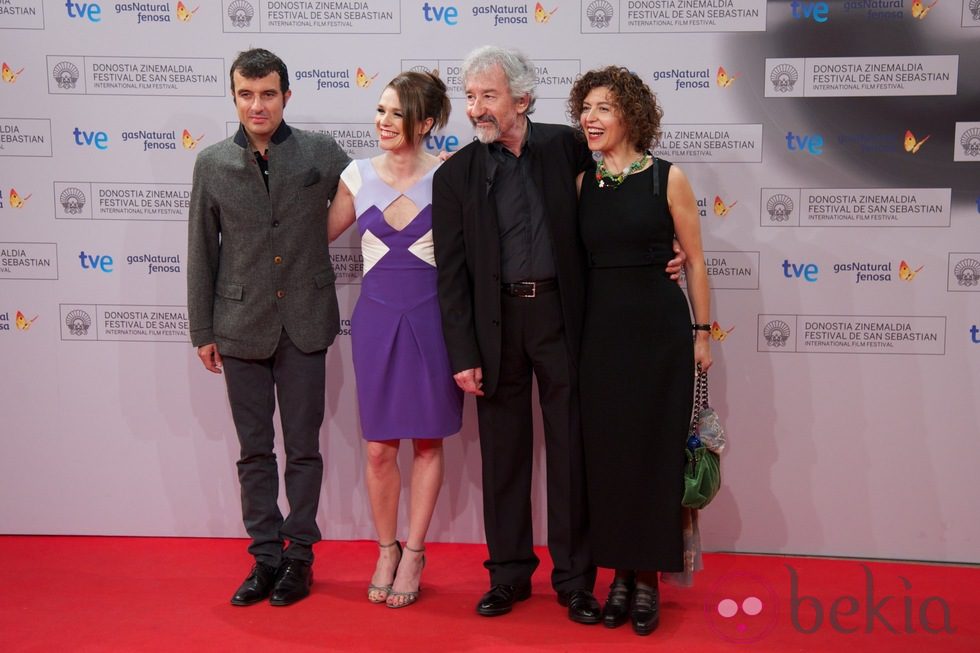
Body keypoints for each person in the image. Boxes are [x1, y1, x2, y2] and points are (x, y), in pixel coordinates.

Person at [432, 46, 683, 624]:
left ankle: (575, 580)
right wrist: (462, 351)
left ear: (521, 99)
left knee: (572, 450)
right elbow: (452, 276)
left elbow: (627, 189)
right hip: (495, 326)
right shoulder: (454, 177)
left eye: (488, 96)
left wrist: (660, 250)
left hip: (565, 319)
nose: (476, 109)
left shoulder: (567, 147)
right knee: (502, 455)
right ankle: (509, 575)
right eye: (470, 97)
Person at [187, 48, 349, 607]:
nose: (258, 105)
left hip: (305, 321)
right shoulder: (210, 164)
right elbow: (201, 252)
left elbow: (368, 195)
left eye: (268, 93)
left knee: (304, 447)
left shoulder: (321, 153)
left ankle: (299, 556)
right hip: (238, 324)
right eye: (246, 94)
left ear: (286, 94)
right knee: (254, 450)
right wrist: (201, 329)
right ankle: (265, 556)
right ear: (234, 97)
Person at [568, 66, 712, 636]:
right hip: (600, 335)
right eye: (586, 107)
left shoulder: (667, 178)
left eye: (603, 107)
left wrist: (703, 332)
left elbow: (695, 260)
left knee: (655, 453)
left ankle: (649, 576)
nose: (590, 118)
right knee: (608, 455)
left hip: (659, 333)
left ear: (629, 113)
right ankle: (620, 573)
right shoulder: (582, 181)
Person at [327, 71, 461, 609]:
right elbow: (311, 235)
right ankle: (386, 547)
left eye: (396, 112)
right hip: (377, 322)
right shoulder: (355, 176)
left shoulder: (450, 178)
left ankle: (416, 552)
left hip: (435, 321)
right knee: (380, 448)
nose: (382, 122)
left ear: (425, 122)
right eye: (379, 110)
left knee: (429, 441)